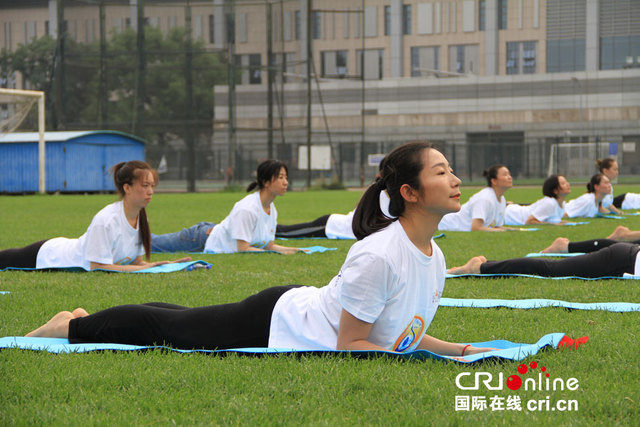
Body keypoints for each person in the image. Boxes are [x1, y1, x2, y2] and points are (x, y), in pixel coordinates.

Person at [25, 142, 494, 357]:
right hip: (275, 322)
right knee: (167, 327)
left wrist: (453, 348)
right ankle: (70, 328)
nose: (455, 180)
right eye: (441, 171)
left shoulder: (431, 258)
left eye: (450, 169)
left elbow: (399, 334)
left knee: (180, 316)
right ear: (410, 192)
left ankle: (79, 318)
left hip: (289, 308)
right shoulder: (381, 254)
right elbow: (352, 343)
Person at [0, 161, 189, 272]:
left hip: (58, 248)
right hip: (47, 255)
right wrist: (146, 269)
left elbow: (136, 261)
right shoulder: (106, 219)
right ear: (127, 188)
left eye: (152, 186)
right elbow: (99, 266)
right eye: (145, 186)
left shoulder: (142, 219)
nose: (150, 192)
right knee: (5, 260)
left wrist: (163, 265)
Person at [151, 160, 301, 255]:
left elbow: (269, 245)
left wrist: (294, 250)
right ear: (266, 182)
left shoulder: (271, 208)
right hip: (200, 240)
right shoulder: (247, 209)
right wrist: (277, 254)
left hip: (210, 231)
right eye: (280, 177)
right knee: (152, 244)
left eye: (286, 177)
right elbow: (243, 249)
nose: (286, 182)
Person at [448, 237, 640, 278]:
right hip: (622, 259)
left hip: (627, 256)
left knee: (552, 268)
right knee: (552, 269)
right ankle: (481, 268)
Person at [275, 192, 391, 240]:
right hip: (332, 226)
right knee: (286, 232)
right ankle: (267, 231)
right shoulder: (382, 196)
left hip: (334, 223)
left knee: (288, 231)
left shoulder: (382, 196)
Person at [437, 164, 514, 232]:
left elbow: (496, 227)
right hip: (442, 224)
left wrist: (512, 230)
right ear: (494, 181)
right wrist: (502, 231)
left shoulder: (502, 199)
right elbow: (476, 228)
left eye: (509, 174)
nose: (509, 177)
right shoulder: (485, 199)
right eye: (505, 175)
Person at [504, 174, 571, 226]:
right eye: (563, 184)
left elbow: (551, 220)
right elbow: (530, 221)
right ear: (555, 190)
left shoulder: (562, 204)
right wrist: (554, 225)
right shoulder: (550, 203)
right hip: (510, 214)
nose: (568, 184)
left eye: (566, 182)